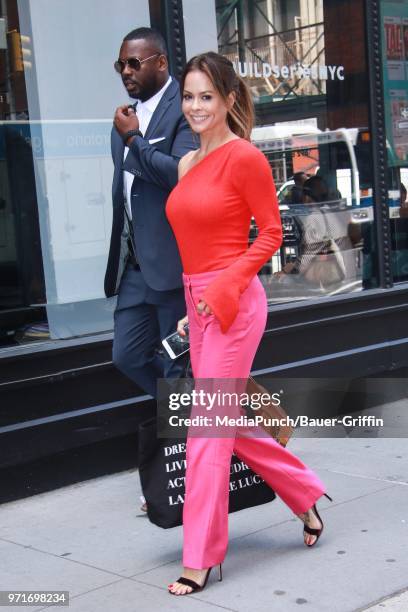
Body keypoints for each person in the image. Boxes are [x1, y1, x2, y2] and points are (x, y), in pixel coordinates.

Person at [165, 51, 332, 596]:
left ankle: (201, 557)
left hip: (235, 306)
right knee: (227, 427)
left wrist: (223, 287)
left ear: (228, 100)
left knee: (205, 431)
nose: (195, 106)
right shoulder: (188, 162)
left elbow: (270, 235)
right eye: (188, 96)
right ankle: (305, 494)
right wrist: (191, 307)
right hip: (200, 303)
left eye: (205, 97)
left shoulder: (244, 158)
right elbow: (191, 243)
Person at [104, 27, 196, 401]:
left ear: (160, 62)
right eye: (120, 64)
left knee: (179, 362)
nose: (126, 71)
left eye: (134, 63)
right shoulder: (126, 118)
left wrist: (134, 140)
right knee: (127, 355)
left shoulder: (186, 109)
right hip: (137, 269)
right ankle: (207, 411)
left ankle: (194, 441)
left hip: (175, 268)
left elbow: (178, 175)